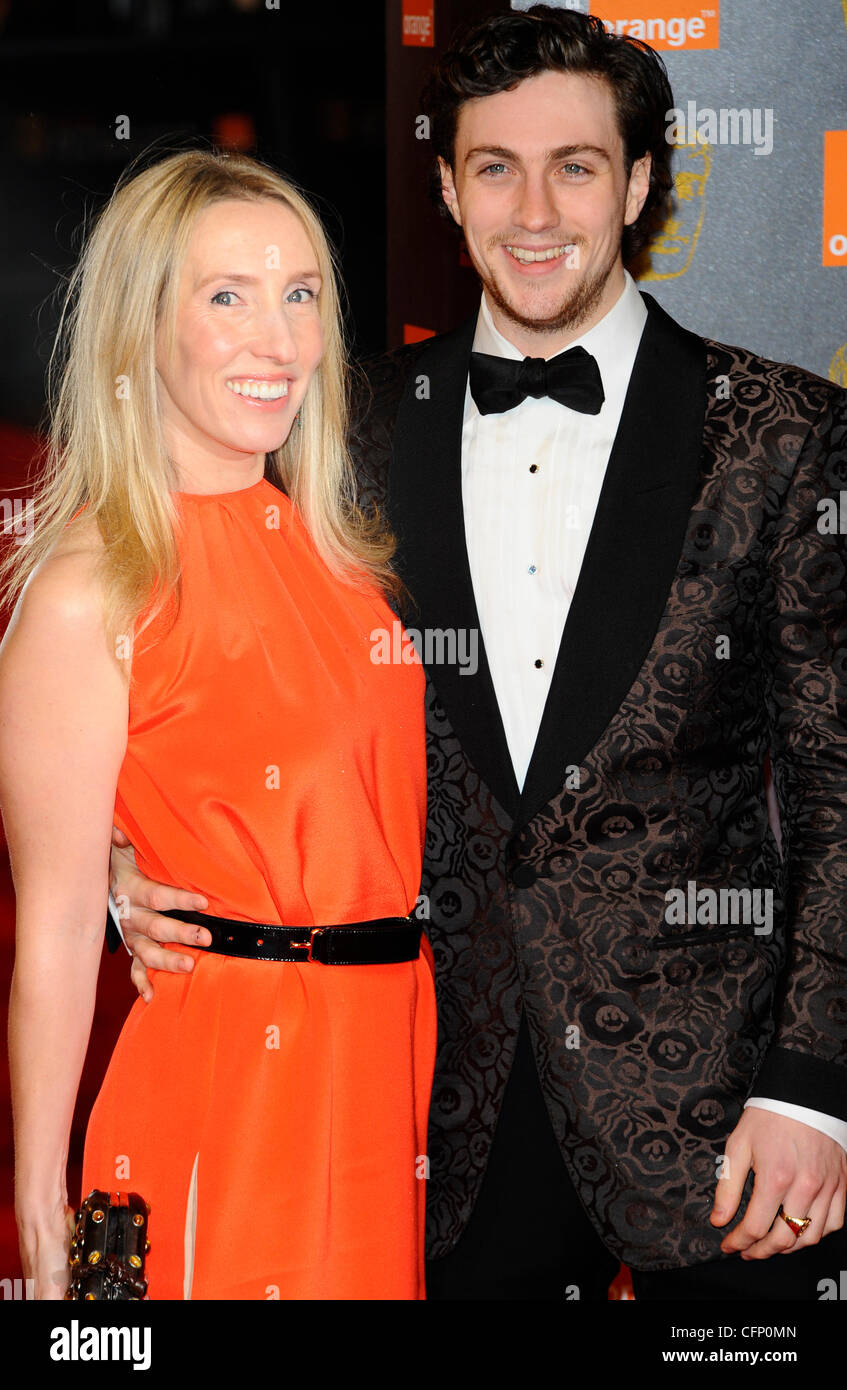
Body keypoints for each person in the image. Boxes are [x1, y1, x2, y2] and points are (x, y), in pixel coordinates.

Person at [109, 8, 847, 1300]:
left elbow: (842, 789)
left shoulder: (780, 432)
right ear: (446, 188)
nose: (533, 208)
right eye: (492, 166)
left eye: (574, 165)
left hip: (726, 1110)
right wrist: (120, 850)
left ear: (637, 184)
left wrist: (816, 1088)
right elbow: (223, 684)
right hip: (426, 1099)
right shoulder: (344, 435)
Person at [0, 148, 436, 1301]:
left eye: (300, 294)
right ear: (144, 327)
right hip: (222, 1082)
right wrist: (41, 1216)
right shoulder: (91, 586)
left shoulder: (343, 560)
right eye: (227, 296)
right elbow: (48, 934)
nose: (278, 338)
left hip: (379, 1067)